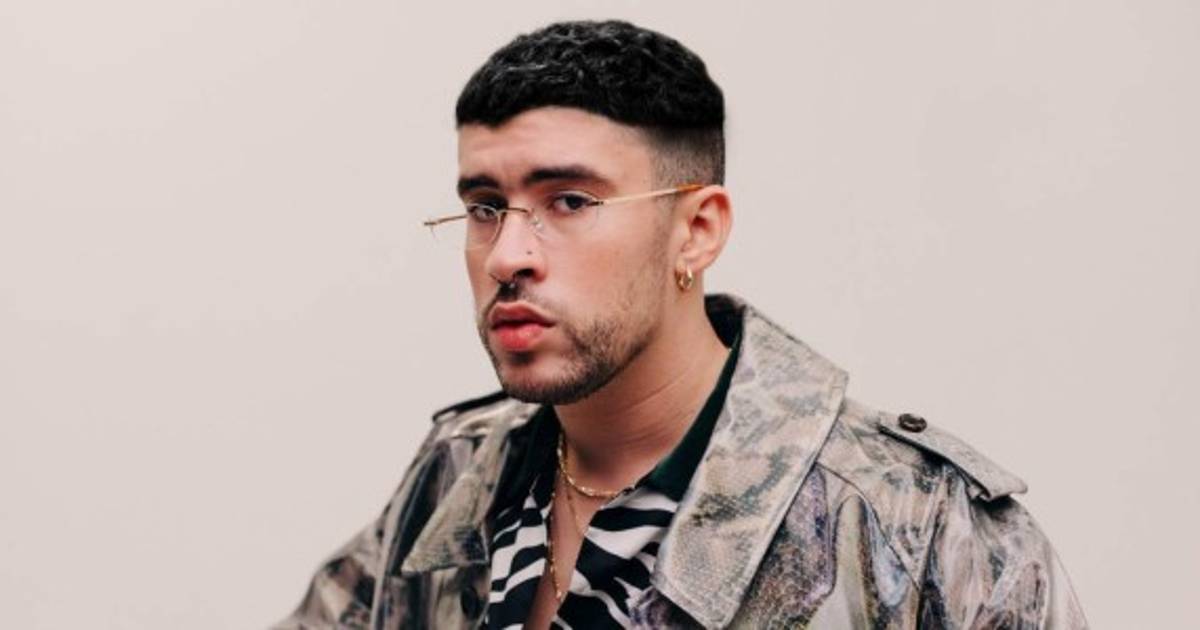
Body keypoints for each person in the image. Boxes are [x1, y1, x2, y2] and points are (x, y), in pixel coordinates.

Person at [277, 19, 1086, 629]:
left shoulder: (915, 525)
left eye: (570, 201)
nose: (507, 256)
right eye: (486, 207)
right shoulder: (461, 472)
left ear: (696, 231)